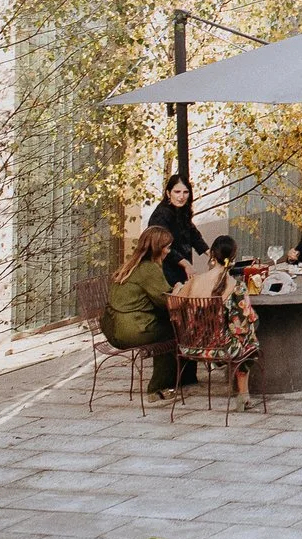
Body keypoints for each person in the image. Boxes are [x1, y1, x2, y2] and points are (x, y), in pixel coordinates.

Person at [169, 236, 263, 412]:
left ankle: (241, 392)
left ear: (212, 254)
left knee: (246, 334)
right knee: (250, 339)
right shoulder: (236, 286)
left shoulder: (195, 281)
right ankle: (243, 395)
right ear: (233, 258)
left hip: (191, 345)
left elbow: (174, 305)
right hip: (221, 348)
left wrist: (177, 288)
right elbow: (240, 325)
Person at [105, 225, 179, 402]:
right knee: (174, 331)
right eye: (167, 247)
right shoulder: (149, 269)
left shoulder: (130, 265)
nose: (169, 251)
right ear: (157, 248)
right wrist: (178, 288)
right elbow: (167, 301)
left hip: (112, 328)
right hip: (130, 331)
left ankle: (168, 383)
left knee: (166, 325)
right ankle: (158, 388)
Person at [148, 173, 209, 288]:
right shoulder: (161, 215)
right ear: (168, 193)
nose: (181, 196)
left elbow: (194, 235)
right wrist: (186, 264)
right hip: (164, 269)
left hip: (181, 268)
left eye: (185, 192)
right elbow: (162, 246)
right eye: (177, 192)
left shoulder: (182, 212)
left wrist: (211, 254)